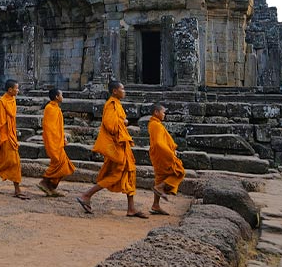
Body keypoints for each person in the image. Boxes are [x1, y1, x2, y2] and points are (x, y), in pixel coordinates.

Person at [75, 80, 148, 218]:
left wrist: (122, 122)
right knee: (115, 175)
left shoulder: (117, 104)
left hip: (122, 145)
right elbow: (110, 125)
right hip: (116, 147)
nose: (124, 91)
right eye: (122, 88)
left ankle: (131, 208)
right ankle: (86, 195)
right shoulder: (111, 104)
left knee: (129, 173)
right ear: (115, 91)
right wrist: (124, 122)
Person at [147, 103, 185, 215]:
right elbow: (159, 143)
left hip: (157, 154)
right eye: (163, 112)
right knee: (179, 171)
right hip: (162, 154)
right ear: (156, 112)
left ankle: (155, 205)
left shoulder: (152, 124)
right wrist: (170, 154)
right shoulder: (157, 125)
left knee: (160, 177)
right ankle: (160, 187)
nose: (165, 115)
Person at [38, 88, 75, 197]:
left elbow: (59, 127)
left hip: (58, 141)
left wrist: (63, 138)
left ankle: (51, 187)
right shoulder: (49, 108)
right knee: (60, 164)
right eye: (61, 95)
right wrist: (52, 142)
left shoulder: (56, 109)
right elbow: (49, 128)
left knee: (65, 166)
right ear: (56, 97)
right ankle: (45, 182)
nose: (62, 97)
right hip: (53, 142)